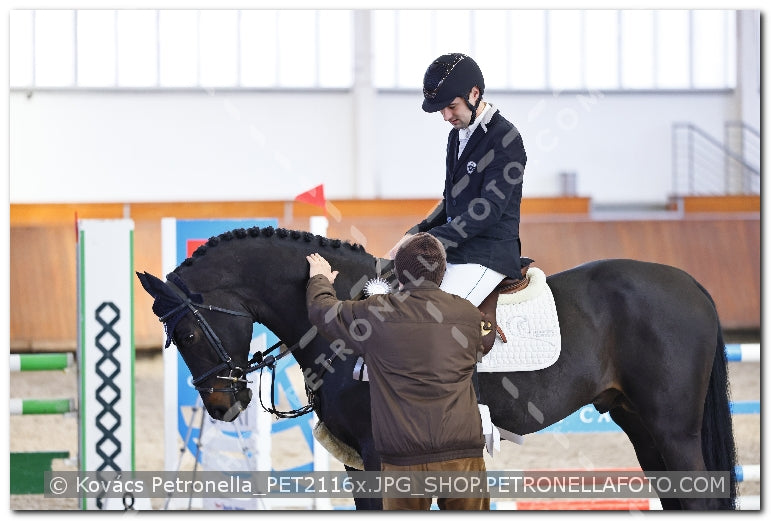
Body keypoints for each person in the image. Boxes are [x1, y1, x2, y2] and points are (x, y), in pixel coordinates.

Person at [305, 232, 489, 510]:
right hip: (462, 457)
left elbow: (323, 312)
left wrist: (319, 278)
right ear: (441, 273)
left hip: (404, 461)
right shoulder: (467, 313)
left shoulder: (376, 312)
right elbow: (484, 343)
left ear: (399, 275)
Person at [388, 52, 528, 307]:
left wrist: (428, 241)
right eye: (442, 109)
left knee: (433, 313)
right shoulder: (457, 135)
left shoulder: (506, 139)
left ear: (474, 94)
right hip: (457, 250)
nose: (446, 116)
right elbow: (449, 203)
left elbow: (488, 209)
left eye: (451, 106)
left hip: (488, 255)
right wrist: (413, 234)